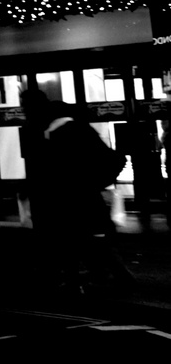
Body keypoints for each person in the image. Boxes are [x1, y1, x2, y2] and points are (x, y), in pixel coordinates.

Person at [22, 89, 132, 291]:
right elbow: (114, 160)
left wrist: (88, 184)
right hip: (75, 200)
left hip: (69, 201)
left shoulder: (60, 132)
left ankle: (91, 279)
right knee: (83, 242)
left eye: (25, 107)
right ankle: (100, 278)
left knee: (75, 242)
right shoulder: (60, 131)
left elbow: (49, 174)